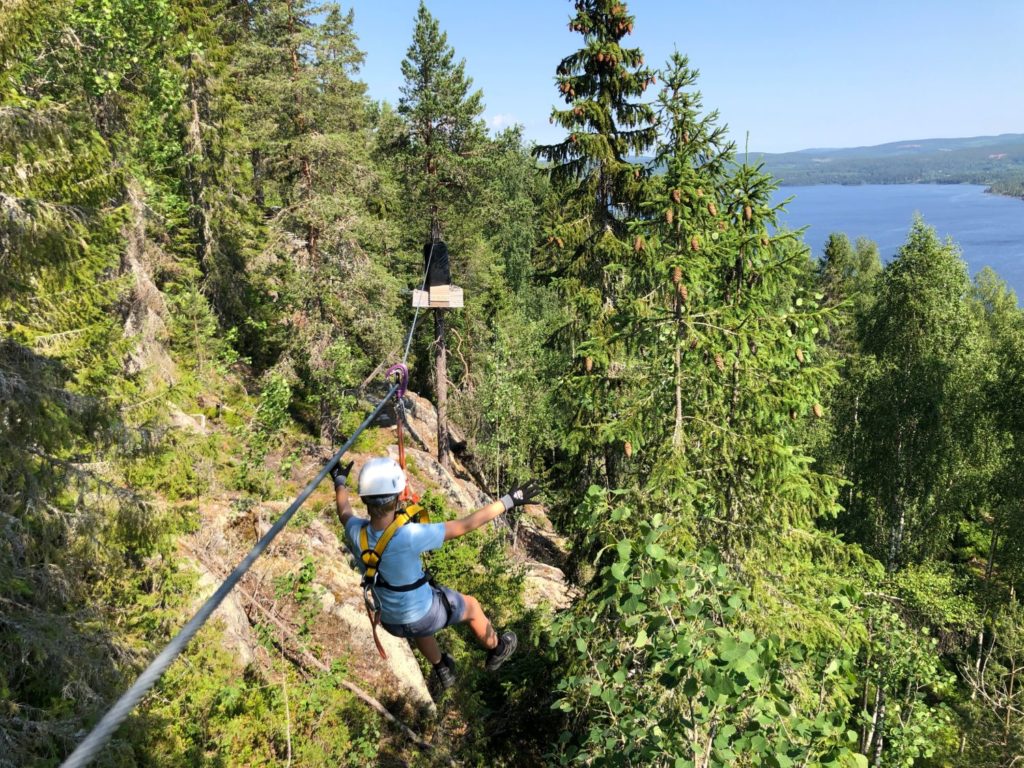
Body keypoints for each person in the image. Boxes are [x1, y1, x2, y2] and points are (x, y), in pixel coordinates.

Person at [330, 456, 539, 690]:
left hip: (390, 621)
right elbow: (465, 525)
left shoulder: (356, 533)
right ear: (398, 497)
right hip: (423, 616)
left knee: (416, 619)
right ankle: (498, 648)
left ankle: (442, 668)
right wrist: (509, 501)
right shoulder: (409, 536)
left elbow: (344, 511)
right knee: (471, 606)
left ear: (366, 499)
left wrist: (339, 481)